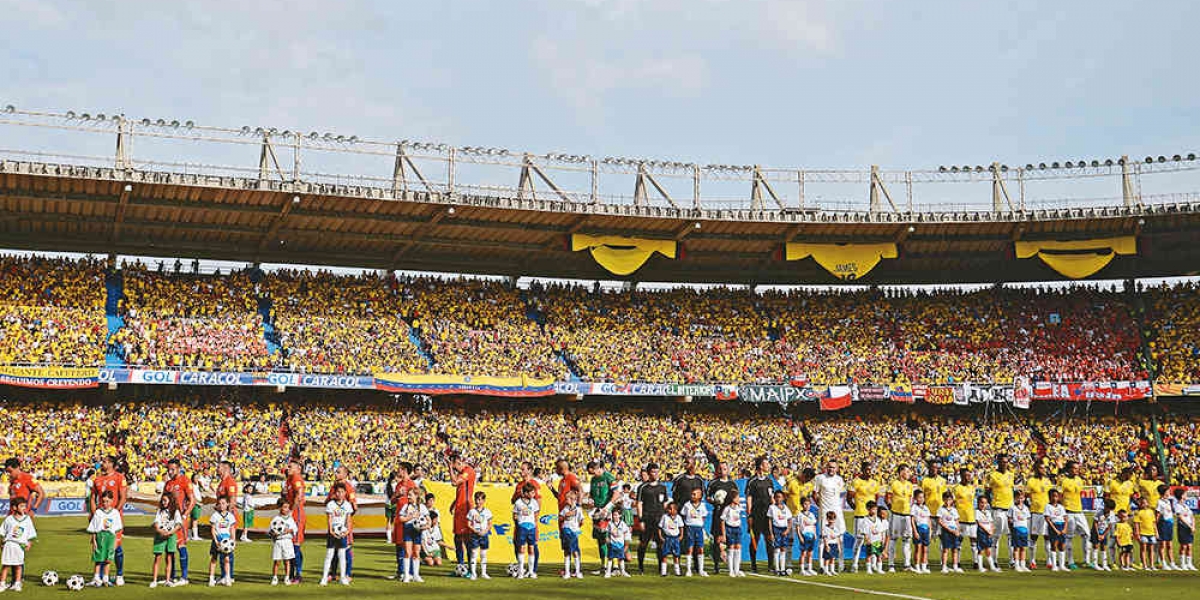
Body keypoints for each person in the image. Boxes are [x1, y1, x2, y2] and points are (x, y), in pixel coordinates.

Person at [90, 456, 128, 586]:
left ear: (111, 464)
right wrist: (95, 515)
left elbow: (123, 497)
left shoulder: (119, 478)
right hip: (100, 519)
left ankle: (119, 574)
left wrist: (114, 513)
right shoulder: (98, 479)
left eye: (105, 462)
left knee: (115, 546)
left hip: (114, 519)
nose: (102, 463)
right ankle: (99, 577)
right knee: (100, 546)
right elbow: (93, 498)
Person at [163, 459, 195, 585]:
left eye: (173, 469)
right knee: (169, 546)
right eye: (169, 469)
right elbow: (164, 501)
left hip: (180, 519)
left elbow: (192, 501)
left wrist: (184, 515)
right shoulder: (168, 484)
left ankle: (184, 577)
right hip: (169, 519)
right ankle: (171, 576)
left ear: (178, 468)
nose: (170, 472)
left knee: (180, 545)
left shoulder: (185, 480)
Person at [812, 459, 847, 572]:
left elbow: (841, 496)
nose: (831, 469)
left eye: (833, 467)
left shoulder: (839, 480)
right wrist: (821, 506)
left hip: (837, 512)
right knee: (823, 538)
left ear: (837, 468)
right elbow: (815, 494)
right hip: (825, 511)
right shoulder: (820, 478)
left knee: (840, 538)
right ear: (826, 468)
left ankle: (841, 564)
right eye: (830, 467)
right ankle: (822, 565)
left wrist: (839, 508)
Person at [635, 463, 669, 575]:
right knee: (643, 543)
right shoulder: (643, 487)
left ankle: (661, 568)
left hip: (659, 520)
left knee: (660, 543)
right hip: (647, 518)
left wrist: (665, 519)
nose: (655, 474)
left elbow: (664, 504)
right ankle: (640, 567)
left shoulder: (662, 487)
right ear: (649, 473)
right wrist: (641, 520)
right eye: (653, 472)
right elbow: (639, 504)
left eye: (657, 471)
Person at [706, 461, 738, 574]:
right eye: (720, 468)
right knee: (716, 539)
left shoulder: (732, 484)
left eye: (724, 468)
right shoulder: (713, 483)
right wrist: (714, 501)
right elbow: (707, 497)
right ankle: (716, 566)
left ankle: (732, 566)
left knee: (731, 540)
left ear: (728, 470)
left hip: (730, 515)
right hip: (717, 514)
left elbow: (736, 498)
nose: (722, 470)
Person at [744, 456, 775, 573]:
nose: (768, 466)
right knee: (755, 540)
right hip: (756, 515)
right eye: (766, 464)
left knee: (769, 539)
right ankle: (753, 564)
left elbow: (771, 497)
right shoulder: (752, 481)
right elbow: (749, 499)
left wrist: (775, 512)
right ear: (761, 466)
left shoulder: (769, 481)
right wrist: (749, 515)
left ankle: (771, 565)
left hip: (768, 516)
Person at [510, 462, 542, 573]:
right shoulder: (519, 485)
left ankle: (533, 569)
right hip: (519, 521)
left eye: (523, 469)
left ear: (530, 470)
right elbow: (513, 500)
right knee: (517, 542)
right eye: (521, 469)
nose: (521, 471)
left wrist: (535, 519)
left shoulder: (535, 484)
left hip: (530, 520)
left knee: (532, 544)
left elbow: (538, 503)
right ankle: (521, 568)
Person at [849, 461, 880, 573]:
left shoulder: (875, 483)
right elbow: (849, 498)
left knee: (874, 539)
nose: (869, 472)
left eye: (870, 470)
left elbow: (876, 497)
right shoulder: (856, 482)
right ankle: (854, 564)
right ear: (862, 470)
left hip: (872, 516)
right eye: (867, 470)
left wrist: (873, 511)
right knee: (859, 540)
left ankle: (874, 564)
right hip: (860, 516)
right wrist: (856, 508)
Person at [1059, 460, 1090, 569]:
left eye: (1077, 468)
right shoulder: (1063, 481)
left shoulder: (1079, 480)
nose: (1077, 470)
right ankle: (1071, 561)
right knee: (1069, 537)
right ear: (1069, 469)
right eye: (1074, 468)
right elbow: (1059, 496)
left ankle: (1087, 560)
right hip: (1068, 512)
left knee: (1087, 535)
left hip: (1079, 511)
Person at [985, 454, 1015, 567]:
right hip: (998, 509)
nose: (1005, 464)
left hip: (1010, 510)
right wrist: (991, 503)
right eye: (1002, 462)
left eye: (1006, 462)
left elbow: (1011, 490)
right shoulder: (992, 475)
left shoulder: (1010, 475)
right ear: (998, 462)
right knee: (995, 537)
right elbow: (987, 491)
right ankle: (994, 561)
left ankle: (1012, 560)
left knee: (1011, 536)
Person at [87, 490, 122, 587]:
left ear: (112, 500)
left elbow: (117, 529)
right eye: (103, 501)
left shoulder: (115, 513)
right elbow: (94, 527)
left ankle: (106, 579)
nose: (105, 503)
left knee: (108, 559)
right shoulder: (98, 512)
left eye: (107, 501)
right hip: (100, 537)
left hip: (110, 538)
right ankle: (96, 578)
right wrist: (94, 540)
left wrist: (116, 541)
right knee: (98, 559)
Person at [0, 497, 35, 592]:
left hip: (20, 546)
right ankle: (2, 584)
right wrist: (1, 543)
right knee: (6, 565)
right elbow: (2, 532)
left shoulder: (27, 519)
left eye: (25, 506)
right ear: (14, 507)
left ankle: (17, 583)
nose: (24, 508)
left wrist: (29, 543)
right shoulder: (9, 519)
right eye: (21, 506)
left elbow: (31, 532)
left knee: (18, 565)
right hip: (9, 544)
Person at [321, 482, 353, 586]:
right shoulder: (331, 504)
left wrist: (347, 531)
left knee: (342, 556)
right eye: (338, 492)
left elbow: (348, 519)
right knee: (329, 555)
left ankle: (343, 577)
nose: (340, 494)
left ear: (345, 493)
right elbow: (329, 518)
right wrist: (331, 530)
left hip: (342, 533)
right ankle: (324, 577)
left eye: (342, 492)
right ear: (335, 493)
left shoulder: (347, 505)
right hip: (332, 533)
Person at [449, 453, 476, 575]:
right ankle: (461, 566)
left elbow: (455, 482)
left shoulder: (468, 471)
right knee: (457, 537)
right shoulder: (462, 473)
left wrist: (449, 468)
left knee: (467, 538)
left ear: (458, 462)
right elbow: (461, 490)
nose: (454, 469)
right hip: (459, 508)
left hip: (466, 508)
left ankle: (471, 569)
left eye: (454, 466)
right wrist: (454, 503)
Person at [1024, 460, 1053, 569]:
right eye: (1041, 468)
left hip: (1046, 513)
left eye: (1044, 468)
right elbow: (1026, 495)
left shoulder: (1047, 481)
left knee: (1047, 537)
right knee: (1034, 537)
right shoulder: (1031, 481)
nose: (1044, 470)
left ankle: (1049, 561)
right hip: (1035, 513)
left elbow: (1051, 495)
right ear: (1036, 469)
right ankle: (1032, 561)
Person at [886, 463, 915, 572]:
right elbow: (887, 499)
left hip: (906, 516)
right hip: (896, 515)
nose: (908, 473)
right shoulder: (893, 483)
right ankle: (891, 564)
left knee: (907, 539)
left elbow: (910, 500)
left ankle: (907, 564)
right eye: (907, 471)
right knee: (893, 539)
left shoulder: (910, 485)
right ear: (901, 472)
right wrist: (893, 510)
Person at [587, 461, 616, 571]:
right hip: (597, 511)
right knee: (599, 538)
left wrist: (608, 507)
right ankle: (603, 565)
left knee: (609, 538)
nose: (592, 475)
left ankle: (615, 565)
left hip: (607, 512)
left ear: (597, 468)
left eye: (593, 472)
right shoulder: (593, 479)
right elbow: (591, 493)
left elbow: (616, 493)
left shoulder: (608, 477)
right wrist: (590, 499)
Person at [396, 487, 428, 583]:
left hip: (417, 531)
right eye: (408, 495)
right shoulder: (405, 507)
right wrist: (411, 517)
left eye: (410, 495)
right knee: (408, 552)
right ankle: (406, 575)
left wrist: (426, 526)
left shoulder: (422, 507)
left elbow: (428, 519)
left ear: (416, 496)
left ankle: (416, 575)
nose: (408, 497)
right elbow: (401, 519)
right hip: (408, 529)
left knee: (417, 553)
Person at [150, 493, 182, 588]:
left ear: (170, 501)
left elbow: (178, 524)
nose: (163, 502)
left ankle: (168, 580)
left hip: (171, 536)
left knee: (169, 558)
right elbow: (156, 523)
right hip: (160, 536)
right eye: (162, 500)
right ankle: (154, 580)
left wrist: (170, 532)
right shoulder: (160, 511)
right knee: (157, 558)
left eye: (165, 500)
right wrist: (160, 531)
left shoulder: (175, 512)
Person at [214, 461, 239, 581]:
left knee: (227, 547)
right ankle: (224, 574)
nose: (216, 469)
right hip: (220, 519)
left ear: (225, 468)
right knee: (221, 545)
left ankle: (229, 575)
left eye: (218, 467)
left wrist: (225, 516)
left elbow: (233, 501)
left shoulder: (230, 482)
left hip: (226, 520)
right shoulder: (221, 483)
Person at [283, 459, 307, 583]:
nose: (288, 468)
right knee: (288, 544)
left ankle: (298, 574)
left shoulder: (297, 478)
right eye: (288, 466)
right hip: (291, 513)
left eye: (291, 466)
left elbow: (299, 495)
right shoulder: (289, 480)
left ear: (298, 468)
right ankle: (291, 573)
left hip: (296, 514)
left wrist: (291, 511)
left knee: (295, 544)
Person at [920, 460, 948, 559]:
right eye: (932, 467)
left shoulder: (943, 480)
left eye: (936, 467)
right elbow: (921, 497)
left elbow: (946, 497)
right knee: (927, 538)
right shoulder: (924, 481)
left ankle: (942, 562)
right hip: (929, 514)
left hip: (941, 514)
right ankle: (924, 562)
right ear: (929, 468)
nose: (934, 469)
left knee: (943, 538)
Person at [207, 496, 237, 587]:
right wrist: (215, 541)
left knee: (227, 559)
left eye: (223, 503)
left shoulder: (230, 516)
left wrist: (233, 540)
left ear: (227, 504)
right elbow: (212, 529)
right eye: (219, 503)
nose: (221, 505)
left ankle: (227, 578)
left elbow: (232, 528)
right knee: (214, 559)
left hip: (227, 542)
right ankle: (211, 578)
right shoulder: (215, 515)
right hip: (217, 541)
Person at [513, 482, 540, 579]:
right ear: (525, 493)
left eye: (534, 493)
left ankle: (531, 571)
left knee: (531, 549)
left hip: (531, 528)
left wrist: (536, 527)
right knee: (521, 549)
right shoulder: (518, 503)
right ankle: (521, 572)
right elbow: (515, 515)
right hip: (522, 528)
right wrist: (518, 525)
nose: (533, 494)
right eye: (532, 492)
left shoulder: (534, 502)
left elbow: (536, 516)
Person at [952, 468, 978, 569]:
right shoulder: (956, 488)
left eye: (969, 475)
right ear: (961, 476)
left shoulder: (972, 488)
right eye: (966, 475)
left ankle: (975, 562)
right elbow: (953, 503)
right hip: (961, 518)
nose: (968, 477)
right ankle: (957, 562)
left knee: (974, 541)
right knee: (959, 541)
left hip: (971, 517)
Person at [681, 487, 709, 576]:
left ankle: (701, 570)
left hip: (699, 528)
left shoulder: (702, 505)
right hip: (690, 528)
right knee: (690, 549)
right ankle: (688, 570)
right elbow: (684, 515)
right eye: (692, 494)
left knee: (700, 549)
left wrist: (700, 524)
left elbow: (703, 517)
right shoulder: (687, 505)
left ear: (700, 496)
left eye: (694, 494)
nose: (692, 496)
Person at [269, 501, 298, 586]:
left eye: (288, 507)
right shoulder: (275, 519)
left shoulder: (290, 519)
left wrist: (288, 530)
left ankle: (287, 577)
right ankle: (274, 577)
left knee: (287, 560)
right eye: (285, 507)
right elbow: (270, 531)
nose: (287, 509)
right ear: (280, 508)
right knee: (277, 561)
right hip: (278, 541)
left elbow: (294, 529)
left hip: (287, 541)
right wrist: (274, 533)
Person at [718, 488, 745, 578]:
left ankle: (737, 570)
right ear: (732, 499)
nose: (738, 499)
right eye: (737, 497)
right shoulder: (727, 509)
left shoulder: (739, 508)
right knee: (731, 548)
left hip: (738, 529)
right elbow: (722, 521)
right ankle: (731, 570)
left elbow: (740, 517)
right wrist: (724, 534)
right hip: (730, 529)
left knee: (738, 547)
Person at [467, 491, 493, 580]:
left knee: (483, 554)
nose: (478, 501)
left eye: (479, 499)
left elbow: (490, 524)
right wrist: (475, 531)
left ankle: (483, 573)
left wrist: (485, 531)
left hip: (484, 535)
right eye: (476, 499)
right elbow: (469, 524)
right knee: (474, 553)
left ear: (484, 500)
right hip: (474, 535)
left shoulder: (487, 512)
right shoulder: (472, 511)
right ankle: (473, 573)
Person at [767, 490, 793, 576]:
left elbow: (790, 520)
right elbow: (770, 521)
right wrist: (771, 533)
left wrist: (787, 530)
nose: (778, 499)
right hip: (776, 529)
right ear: (774, 498)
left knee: (783, 549)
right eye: (776, 497)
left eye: (780, 497)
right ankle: (777, 569)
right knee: (776, 549)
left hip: (784, 530)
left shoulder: (786, 508)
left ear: (783, 498)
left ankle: (782, 569)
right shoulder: (772, 507)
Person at [560, 489, 585, 579]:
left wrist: (577, 527)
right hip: (566, 531)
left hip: (573, 532)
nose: (566, 501)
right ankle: (567, 572)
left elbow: (582, 521)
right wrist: (566, 515)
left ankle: (577, 571)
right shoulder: (565, 509)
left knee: (575, 552)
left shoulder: (578, 509)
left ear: (573, 500)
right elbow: (560, 518)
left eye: (568, 499)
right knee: (567, 552)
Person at [938, 490, 963, 574]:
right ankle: (944, 566)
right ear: (943, 499)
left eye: (949, 499)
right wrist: (949, 529)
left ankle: (955, 566)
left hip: (954, 532)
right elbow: (940, 521)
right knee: (945, 549)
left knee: (955, 549)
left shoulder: (954, 510)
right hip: (946, 531)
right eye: (946, 499)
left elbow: (957, 521)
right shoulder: (941, 509)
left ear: (952, 500)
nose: (948, 501)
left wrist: (958, 530)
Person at [1043, 489, 1067, 572]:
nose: (1055, 498)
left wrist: (1065, 528)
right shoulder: (1048, 506)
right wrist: (1055, 529)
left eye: (1056, 496)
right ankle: (1054, 565)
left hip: (1062, 525)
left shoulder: (1061, 507)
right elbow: (1047, 519)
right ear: (1049, 497)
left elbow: (1065, 518)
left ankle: (1062, 565)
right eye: (1053, 496)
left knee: (1062, 545)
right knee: (1054, 545)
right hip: (1054, 526)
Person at [794, 496, 818, 576]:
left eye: (808, 504)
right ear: (801, 505)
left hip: (811, 536)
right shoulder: (799, 515)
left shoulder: (812, 515)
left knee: (810, 553)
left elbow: (813, 525)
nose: (807, 506)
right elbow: (797, 527)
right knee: (803, 553)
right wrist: (800, 536)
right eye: (805, 504)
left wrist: (815, 534)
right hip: (804, 536)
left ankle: (809, 569)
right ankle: (802, 569)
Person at [659, 501, 684, 577]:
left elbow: (681, 527)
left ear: (676, 510)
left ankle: (677, 572)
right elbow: (660, 527)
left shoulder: (678, 518)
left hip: (675, 538)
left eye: (671, 509)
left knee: (676, 555)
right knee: (665, 554)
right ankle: (663, 572)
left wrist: (681, 536)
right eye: (668, 509)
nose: (669, 510)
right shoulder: (664, 517)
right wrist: (660, 536)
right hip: (667, 538)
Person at [1009, 489, 1031, 572]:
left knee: (1023, 548)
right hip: (1016, 529)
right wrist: (1012, 529)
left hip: (1024, 530)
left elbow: (1027, 519)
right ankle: (1017, 565)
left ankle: (1023, 565)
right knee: (1016, 548)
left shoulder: (1026, 508)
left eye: (1022, 498)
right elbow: (1009, 519)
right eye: (1018, 498)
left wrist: (1027, 529)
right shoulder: (1012, 508)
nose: (1020, 500)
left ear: (1024, 498)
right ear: (1015, 498)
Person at [1174, 487, 1196, 571]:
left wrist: (1193, 526)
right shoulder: (1177, 506)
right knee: (1183, 546)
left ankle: (1189, 564)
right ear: (1181, 496)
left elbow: (1192, 516)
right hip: (1183, 527)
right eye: (1185, 494)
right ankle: (1182, 564)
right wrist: (1190, 526)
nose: (1186, 495)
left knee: (1189, 546)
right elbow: (1180, 517)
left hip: (1190, 528)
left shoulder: (1186, 506)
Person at [1155, 483, 1176, 570]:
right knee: (1162, 545)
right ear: (1164, 492)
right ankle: (1163, 563)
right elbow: (1157, 516)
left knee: (1170, 545)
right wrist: (1155, 529)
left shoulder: (1168, 501)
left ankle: (1172, 563)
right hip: (1163, 524)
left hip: (1169, 525)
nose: (1169, 492)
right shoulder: (1159, 502)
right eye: (1168, 491)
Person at [605, 507, 631, 578]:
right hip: (612, 544)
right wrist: (607, 540)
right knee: (610, 558)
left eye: (616, 515)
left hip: (620, 544)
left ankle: (623, 571)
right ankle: (608, 572)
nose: (615, 516)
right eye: (613, 515)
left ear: (620, 515)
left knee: (621, 558)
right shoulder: (610, 524)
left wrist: (626, 542)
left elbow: (626, 533)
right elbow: (607, 533)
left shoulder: (623, 524)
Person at [911, 489, 932, 574]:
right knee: (918, 548)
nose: (921, 499)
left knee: (925, 549)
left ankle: (924, 566)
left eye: (923, 497)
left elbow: (928, 519)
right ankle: (917, 566)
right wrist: (915, 531)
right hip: (918, 529)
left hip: (926, 529)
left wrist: (930, 531)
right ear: (915, 498)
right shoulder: (914, 507)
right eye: (919, 497)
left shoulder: (926, 508)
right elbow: (912, 520)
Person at [975, 496, 998, 572]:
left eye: (985, 503)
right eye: (981, 502)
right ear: (978, 503)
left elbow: (991, 522)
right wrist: (987, 530)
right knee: (981, 549)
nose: (983, 504)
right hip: (981, 532)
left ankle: (992, 566)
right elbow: (979, 523)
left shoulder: (988, 512)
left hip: (988, 533)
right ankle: (980, 567)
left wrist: (991, 530)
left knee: (988, 549)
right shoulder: (977, 512)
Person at [1091, 498, 1114, 571]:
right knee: (1096, 546)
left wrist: (1103, 535)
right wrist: (1098, 534)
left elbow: (1110, 526)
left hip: (1104, 532)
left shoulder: (1112, 514)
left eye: (1109, 509)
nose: (1107, 509)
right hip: (1096, 531)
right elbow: (1095, 523)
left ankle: (1104, 565)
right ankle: (1095, 564)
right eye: (1106, 507)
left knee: (1103, 547)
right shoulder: (1099, 512)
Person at [1135, 497, 1158, 570]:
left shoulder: (1151, 512)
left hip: (1151, 533)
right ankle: (1144, 565)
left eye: (1145, 502)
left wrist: (1156, 532)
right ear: (1140, 504)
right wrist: (1137, 534)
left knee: (1151, 550)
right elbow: (1136, 524)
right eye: (1142, 503)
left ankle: (1152, 565)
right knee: (1143, 549)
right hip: (1143, 533)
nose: (1144, 504)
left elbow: (1154, 523)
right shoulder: (1138, 513)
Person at [821, 511, 841, 576]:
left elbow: (837, 538)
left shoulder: (836, 529)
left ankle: (832, 570)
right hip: (829, 544)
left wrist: (839, 546)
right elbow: (824, 537)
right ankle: (826, 570)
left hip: (834, 544)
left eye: (833, 519)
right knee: (827, 558)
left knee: (833, 558)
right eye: (830, 519)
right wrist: (826, 545)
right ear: (827, 519)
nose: (831, 521)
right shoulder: (825, 528)